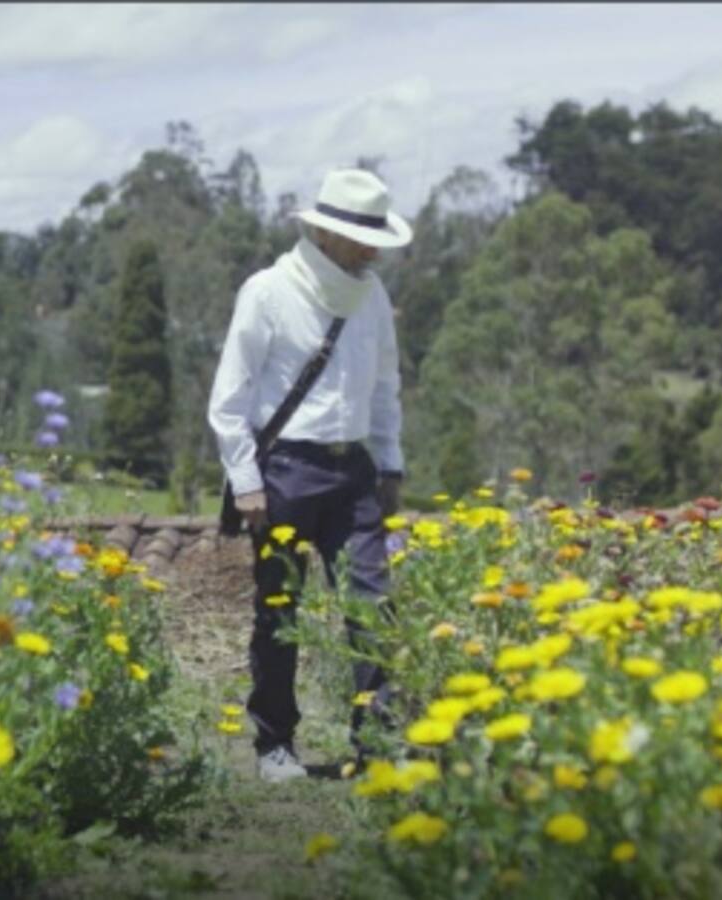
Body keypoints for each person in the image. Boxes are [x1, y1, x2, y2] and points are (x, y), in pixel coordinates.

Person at [207, 168, 412, 783]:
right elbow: (230, 395)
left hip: (354, 472)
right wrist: (245, 479)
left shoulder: (371, 296)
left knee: (373, 610)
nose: (371, 249)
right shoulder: (267, 291)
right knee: (279, 609)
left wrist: (391, 462)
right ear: (325, 233)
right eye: (359, 236)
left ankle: (375, 743)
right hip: (286, 470)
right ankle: (275, 746)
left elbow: (384, 388)